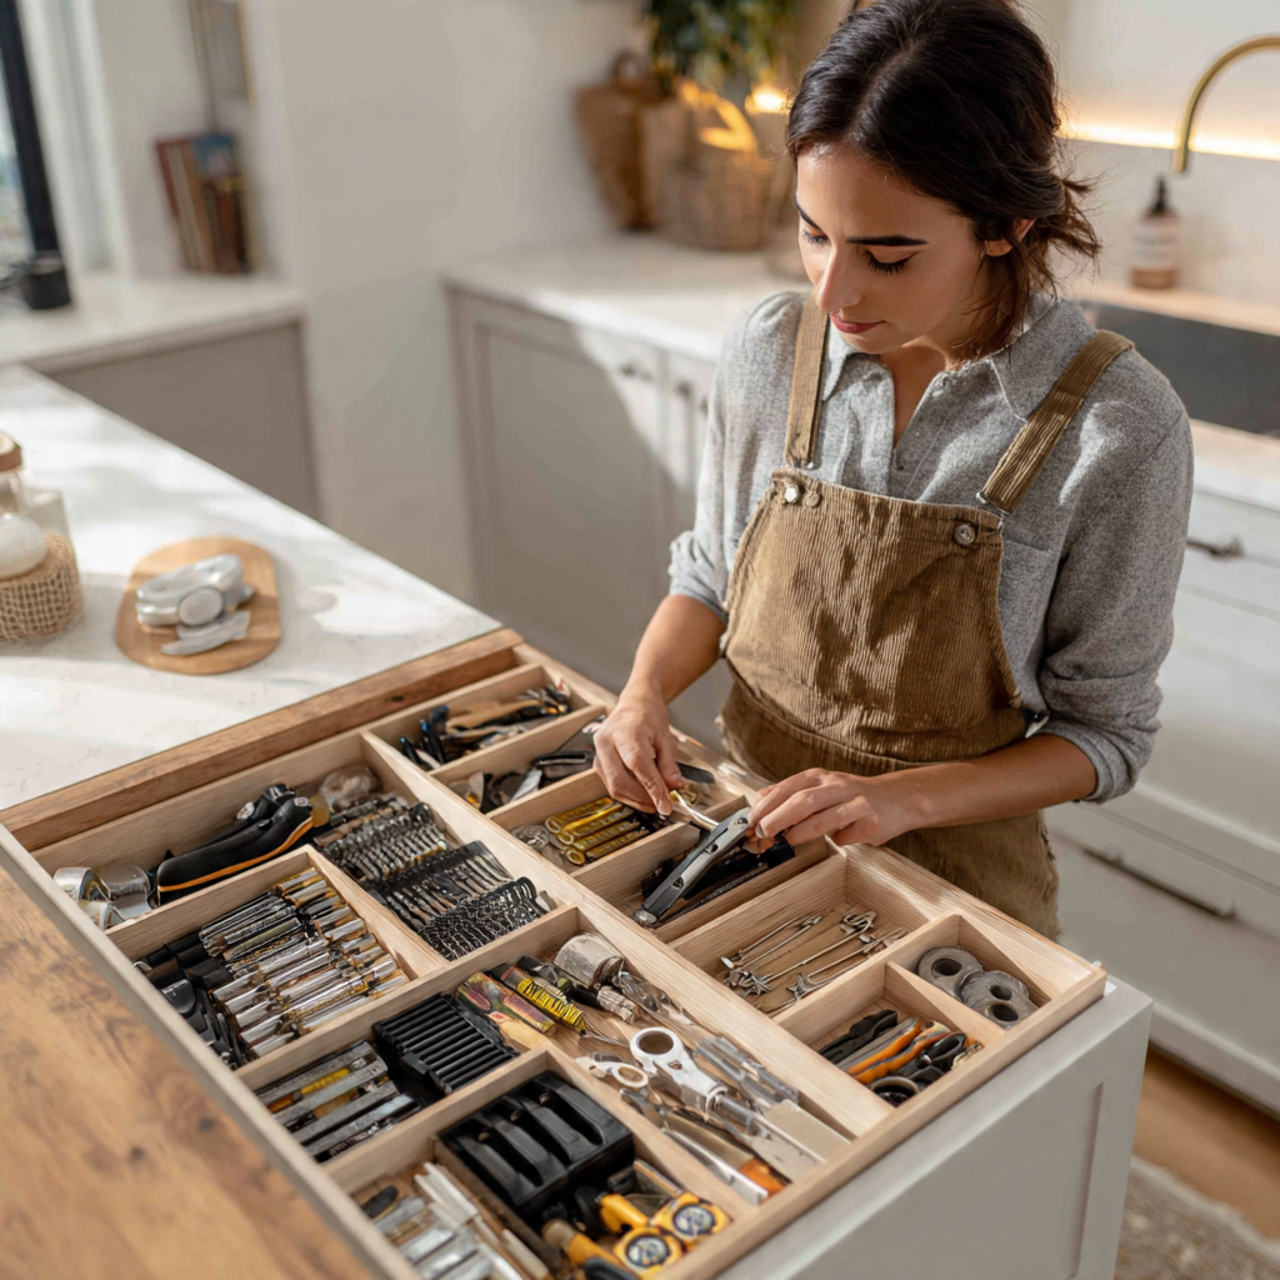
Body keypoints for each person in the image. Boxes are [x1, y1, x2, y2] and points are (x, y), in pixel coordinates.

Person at [591, 0, 1193, 937]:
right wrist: (641, 695)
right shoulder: (769, 350)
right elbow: (711, 580)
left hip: (957, 897)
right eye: (814, 234)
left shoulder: (1118, 428)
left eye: (888, 255)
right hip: (742, 843)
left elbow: (1103, 737)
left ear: (1006, 224)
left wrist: (901, 800)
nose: (834, 291)